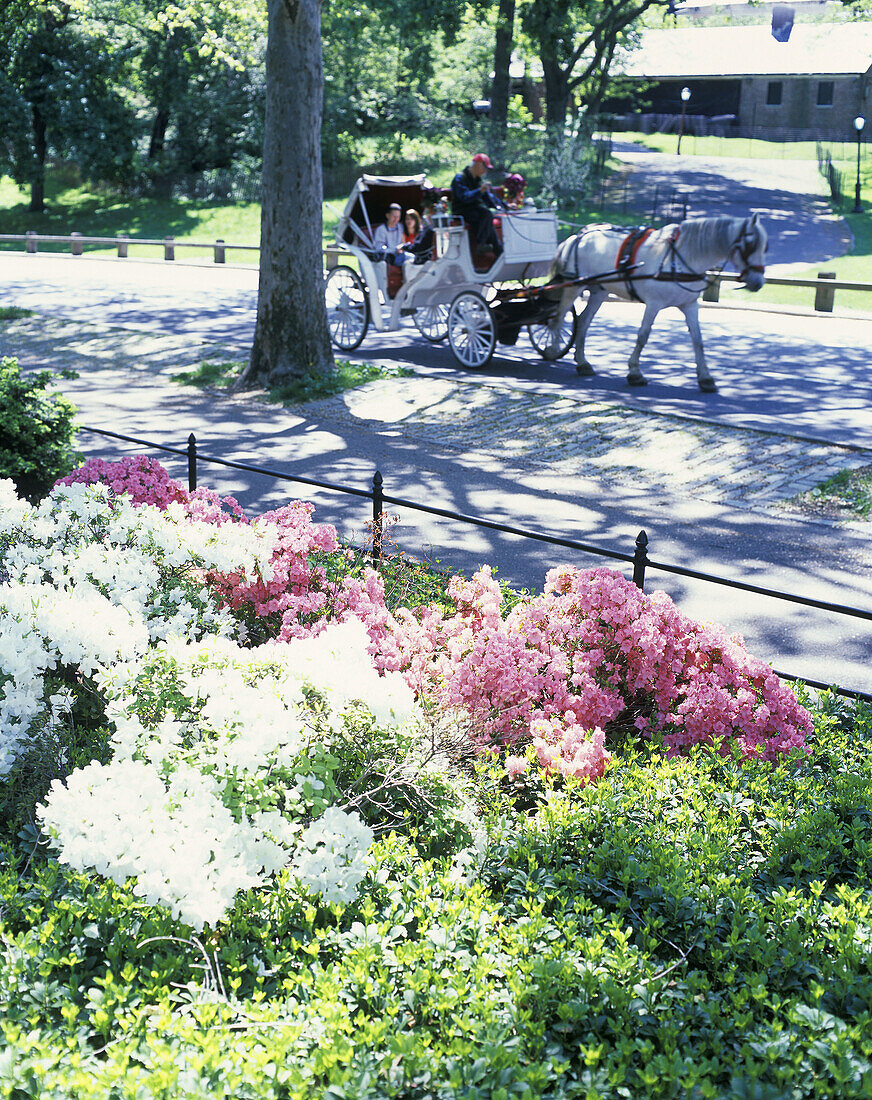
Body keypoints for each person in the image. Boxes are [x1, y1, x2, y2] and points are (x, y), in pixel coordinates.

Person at [450, 152, 504, 258]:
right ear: (478, 164)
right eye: (485, 167)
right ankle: (483, 245)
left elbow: (489, 200)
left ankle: (498, 252)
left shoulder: (478, 180)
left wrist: (504, 206)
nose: (485, 171)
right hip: (462, 211)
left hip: (475, 210)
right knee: (486, 214)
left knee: (486, 217)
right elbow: (465, 197)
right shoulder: (460, 178)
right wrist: (480, 190)